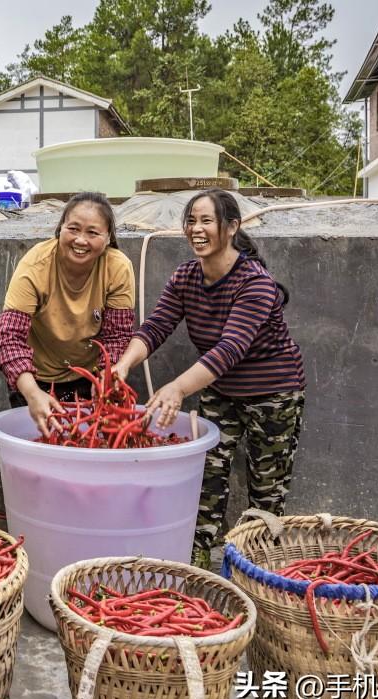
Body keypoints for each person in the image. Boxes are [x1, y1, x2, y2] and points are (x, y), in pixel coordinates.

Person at [112, 189, 305, 570]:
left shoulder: (255, 283)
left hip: (273, 393)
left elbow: (229, 349)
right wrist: (123, 365)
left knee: (267, 489)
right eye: (191, 221)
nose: (196, 229)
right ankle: (197, 561)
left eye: (206, 221)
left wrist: (178, 388)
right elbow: (155, 326)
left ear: (231, 227)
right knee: (206, 479)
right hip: (220, 389)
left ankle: (258, 570)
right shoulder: (186, 276)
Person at [0, 191, 136, 437]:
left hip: (90, 378)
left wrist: (106, 376)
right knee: (40, 448)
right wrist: (32, 393)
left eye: (93, 233)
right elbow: (9, 337)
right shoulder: (36, 264)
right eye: (73, 229)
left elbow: (117, 336)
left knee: (89, 447)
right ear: (60, 229)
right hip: (35, 377)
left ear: (108, 237)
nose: (81, 240)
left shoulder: (117, 267)